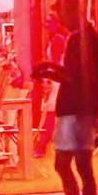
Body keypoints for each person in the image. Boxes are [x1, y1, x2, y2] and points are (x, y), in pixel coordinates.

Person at [32, 0, 98, 195]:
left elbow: (74, 76)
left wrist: (47, 67)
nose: (60, 20)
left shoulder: (80, 39)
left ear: (72, 11)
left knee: (75, 166)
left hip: (77, 108)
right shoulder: (90, 37)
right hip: (82, 108)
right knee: (73, 166)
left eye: (61, 14)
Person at [32, 16, 68, 159]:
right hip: (56, 78)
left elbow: (56, 61)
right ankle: (43, 146)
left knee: (51, 115)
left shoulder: (58, 40)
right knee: (51, 115)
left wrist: (48, 79)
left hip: (56, 80)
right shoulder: (56, 40)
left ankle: (41, 146)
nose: (46, 29)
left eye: (48, 26)